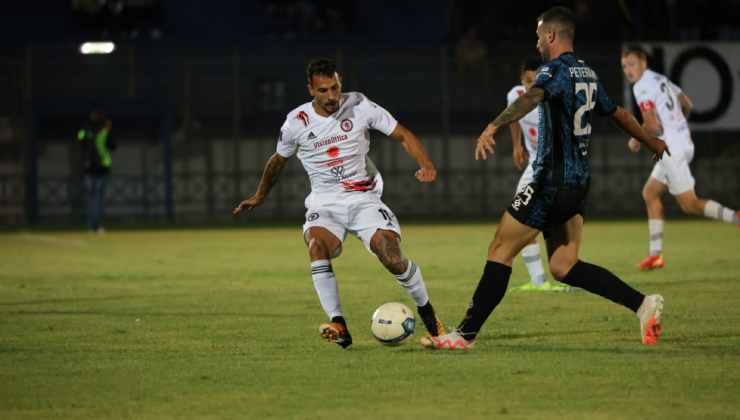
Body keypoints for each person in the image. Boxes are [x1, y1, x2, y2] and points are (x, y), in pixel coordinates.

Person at [422, 6, 669, 350]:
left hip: (550, 182)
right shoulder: (587, 73)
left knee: (500, 248)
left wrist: (494, 125)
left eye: (539, 34)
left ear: (551, 35)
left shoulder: (553, 71)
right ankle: (643, 305)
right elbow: (618, 113)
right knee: (563, 265)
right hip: (579, 183)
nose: (537, 41)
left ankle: (464, 335)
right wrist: (650, 141)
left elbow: (531, 98)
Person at [233, 58, 446, 349]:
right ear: (310, 89)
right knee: (316, 246)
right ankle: (339, 324)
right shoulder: (296, 122)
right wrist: (259, 195)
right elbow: (277, 161)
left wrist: (426, 164)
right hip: (325, 203)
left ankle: (431, 318)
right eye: (323, 90)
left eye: (335, 88)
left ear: (340, 82)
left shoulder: (360, 105)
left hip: (363, 198)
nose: (332, 96)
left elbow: (403, 134)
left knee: (392, 256)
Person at [621, 46, 740, 271]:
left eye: (632, 64)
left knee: (689, 204)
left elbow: (653, 126)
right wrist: (677, 126)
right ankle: (655, 255)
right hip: (683, 142)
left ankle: (736, 218)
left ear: (643, 62)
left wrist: (636, 138)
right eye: (624, 66)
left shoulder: (641, 86)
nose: (628, 70)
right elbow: (687, 103)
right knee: (650, 192)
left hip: (671, 149)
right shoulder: (660, 79)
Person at [507, 57, 568, 292]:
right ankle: (539, 280)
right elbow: (513, 116)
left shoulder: (551, 100)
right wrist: (516, 145)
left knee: (525, 216)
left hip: (553, 165)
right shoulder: (515, 95)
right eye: (528, 81)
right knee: (523, 216)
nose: (533, 86)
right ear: (522, 79)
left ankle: (546, 278)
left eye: (537, 81)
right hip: (536, 163)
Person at [77, 111, 114, 233]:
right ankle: (97, 226)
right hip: (100, 169)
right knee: (98, 199)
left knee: (92, 199)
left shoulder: (85, 129)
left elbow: (80, 140)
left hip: (90, 168)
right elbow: (113, 145)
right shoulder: (104, 131)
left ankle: (91, 226)